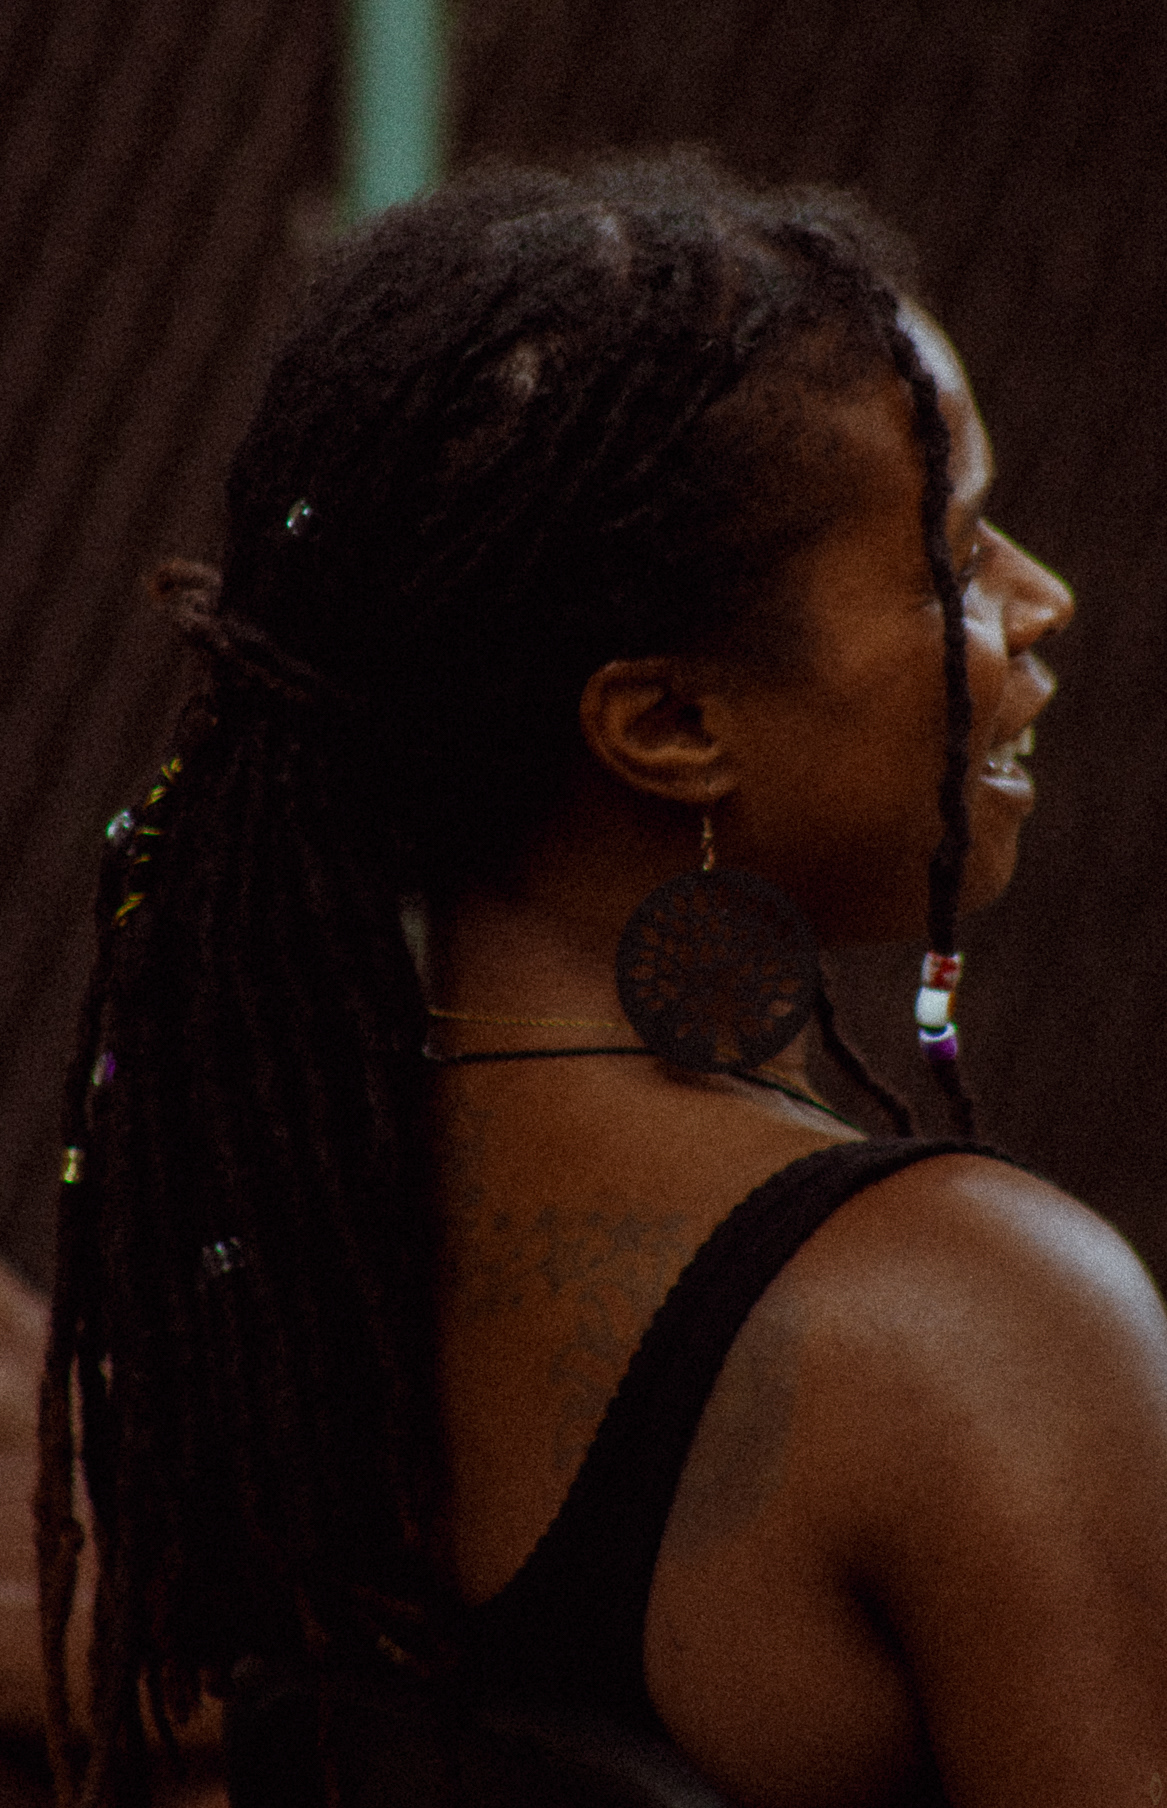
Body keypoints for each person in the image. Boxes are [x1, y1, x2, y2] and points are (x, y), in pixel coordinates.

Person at [36, 154, 1167, 1808]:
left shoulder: (270, 1247)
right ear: (670, 724)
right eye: (957, 552)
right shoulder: (976, 1315)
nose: (1042, 600)